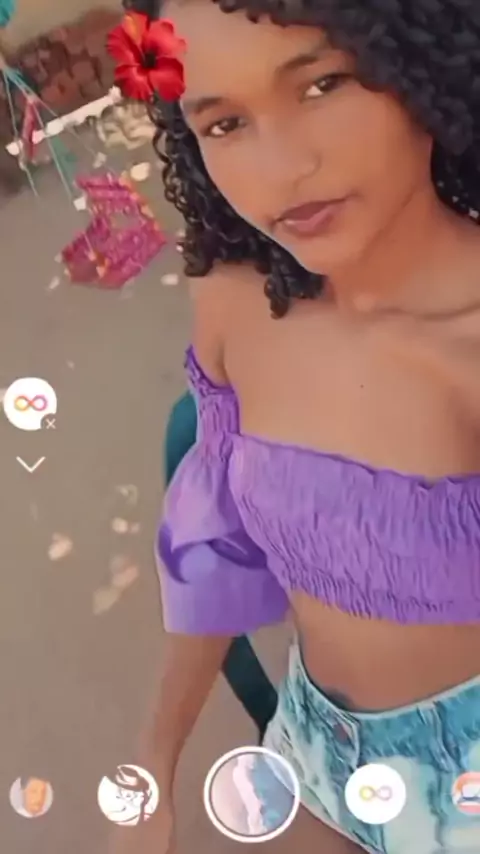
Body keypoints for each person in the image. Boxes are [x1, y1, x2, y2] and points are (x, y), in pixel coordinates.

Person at [110, 0, 480, 852]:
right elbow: (216, 551)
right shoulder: (237, 304)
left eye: (323, 84)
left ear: (425, 63)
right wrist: (154, 766)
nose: (284, 168)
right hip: (311, 752)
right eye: (225, 122)